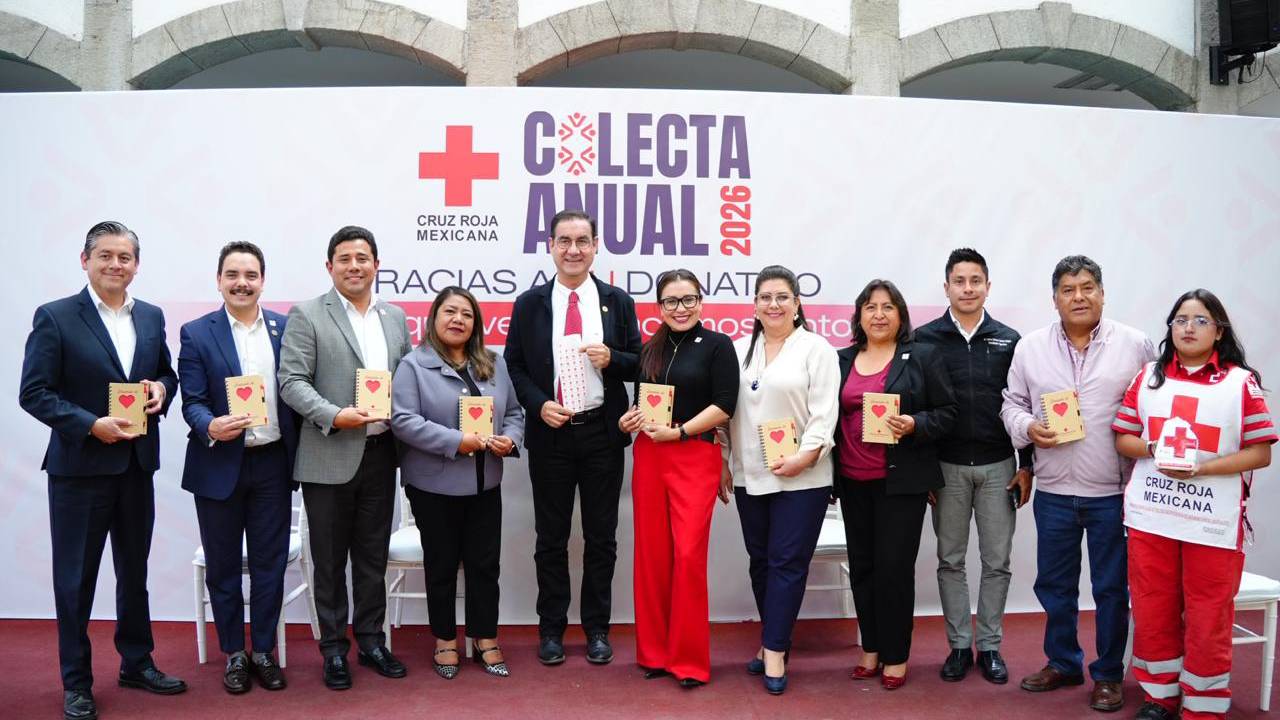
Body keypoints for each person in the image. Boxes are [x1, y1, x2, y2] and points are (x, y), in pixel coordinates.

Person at [19, 221, 185, 720]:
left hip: (136, 465)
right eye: (106, 256)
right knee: (75, 581)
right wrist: (92, 425)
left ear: (137, 264)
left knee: (134, 573)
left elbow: (166, 373)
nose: (116, 265)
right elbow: (34, 393)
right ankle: (76, 682)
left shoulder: (152, 316)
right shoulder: (56, 317)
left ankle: (137, 661)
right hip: (80, 471)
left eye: (125, 257)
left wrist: (160, 388)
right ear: (85, 260)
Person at [1001, 255, 1155, 713]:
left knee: (1111, 589)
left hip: (1114, 493)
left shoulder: (1135, 344)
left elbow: (1154, 407)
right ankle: (1063, 661)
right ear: (1055, 299)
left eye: (1088, 287)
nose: (1079, 297)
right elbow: (1011, 403)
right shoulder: (1030, 348)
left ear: (1103, 293)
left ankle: (1108, 673)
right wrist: (1028, 428)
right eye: (1068, 290)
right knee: (1055, 584)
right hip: (1053, 491)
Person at [1112, 289, 1275, 720]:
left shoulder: (1241, 383)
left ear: (1219, 330)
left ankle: (1202, 705)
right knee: (1152, 606)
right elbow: (1124, 438)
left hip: (1211, 522)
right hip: (1153, 516)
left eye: (1200, 320)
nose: (1188, 327)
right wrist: (1153, 448)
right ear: (1170, 327)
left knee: (1207, 615)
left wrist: (1203, 469)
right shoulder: (1148, 377)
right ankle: (1159, 696)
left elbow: (1261, 452)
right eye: (1180, 319)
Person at [504, 209, 641, 666]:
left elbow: (638, 361)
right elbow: (516, 366)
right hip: (552, 435)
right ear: (550, 246)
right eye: (564, 241)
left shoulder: (617, 301)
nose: (574, 250)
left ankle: (597, 629)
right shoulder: (530, 304)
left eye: (582, 241)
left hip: (602, 432)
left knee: (602, 537)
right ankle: (551, 630)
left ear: (596, 245)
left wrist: (612, 358)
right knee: (551, 538)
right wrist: (538, 404)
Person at [278, 225, 412, 690]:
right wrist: (336, 415)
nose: (354, 266)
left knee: (372, 558)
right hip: (329, 453)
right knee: (330, 561)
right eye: (344, 259)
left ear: (376, 264)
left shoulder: (395, 317)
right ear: (329, 265)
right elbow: (292, 382)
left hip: (382, 455)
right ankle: (334, 649)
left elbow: (408, 380)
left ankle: (372, 641)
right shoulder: (308, 314)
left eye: (363, 258)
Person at [177, 241, 299, 694]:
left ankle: (263, 650)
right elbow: (191, 401)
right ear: (219, 280)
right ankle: (234, 652)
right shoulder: (196, 332)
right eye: (232, 274)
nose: (241, 283)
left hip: (272, 464)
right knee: (224, 567)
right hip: (218, 464)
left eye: (250, 275)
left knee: (269, 565)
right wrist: (211, 425)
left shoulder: (286, 329)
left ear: (262, 281)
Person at [391, 287, 524, 680]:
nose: (458, 320)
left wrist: (511, 439)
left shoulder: (494, 364)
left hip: (485, 483)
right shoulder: (413, 366)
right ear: (434, 318)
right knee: (442, 565)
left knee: (485, 566)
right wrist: (456, 441)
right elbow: (404, 420)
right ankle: (445, 640)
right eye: (450, 312)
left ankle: (485, 638)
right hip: (434, 486)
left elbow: (515, 413)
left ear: (476, 324)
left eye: (466, 314)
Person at [913, 248, 1032, 684]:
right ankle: (960, 646)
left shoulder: (1010, 339)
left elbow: (1025, 405)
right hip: (946, 469)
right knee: (951, 560)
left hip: (1000, 465)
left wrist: (1027, 465)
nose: (968, 288)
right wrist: (923, 470)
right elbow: (918, 407)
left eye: (975, 280)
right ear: (946, 287)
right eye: (959, 281)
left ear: (987, 286)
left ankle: (992, 647)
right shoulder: (923, 339)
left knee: (998, 560)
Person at [722, 265, 840, 695]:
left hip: (803, 476)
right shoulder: (737, 351)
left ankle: (773, 650)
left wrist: (804, 457)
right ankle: (776, 640)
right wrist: (723, 461)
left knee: (788, 563)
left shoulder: (817, 349)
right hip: (750, 474)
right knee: (761, 561)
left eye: (782, 297)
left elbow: (825, 414)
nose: (773, 305)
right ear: (754, 305)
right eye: (765, 297)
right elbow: (725, 412)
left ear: (796, 304)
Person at [834, 279, 957, 691]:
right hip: (851, 482)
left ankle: (896, 655)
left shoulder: (921, 356)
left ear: (901, 315)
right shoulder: (842, 359)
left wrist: (915, 424)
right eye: (870, 307)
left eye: (888, 307)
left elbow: (947, 413)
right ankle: (870, 649)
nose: (879, 314)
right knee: (863, 569)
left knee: (894, 570)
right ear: (859, 316)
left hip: (900, 484)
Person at [618, 270, 738, 688]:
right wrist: (627, 420)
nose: (680, 308)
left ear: (701, 302)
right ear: (659, 307)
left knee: (687, 558)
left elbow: (725, 404)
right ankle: (653, 653)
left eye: (688, 300)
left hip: (693, 454)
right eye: (671, 301)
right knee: (652, 556)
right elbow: (641, 403)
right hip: (650, 455)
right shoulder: (650, 347)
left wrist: (682, 431)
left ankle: (688, 660)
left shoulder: (718, 345)